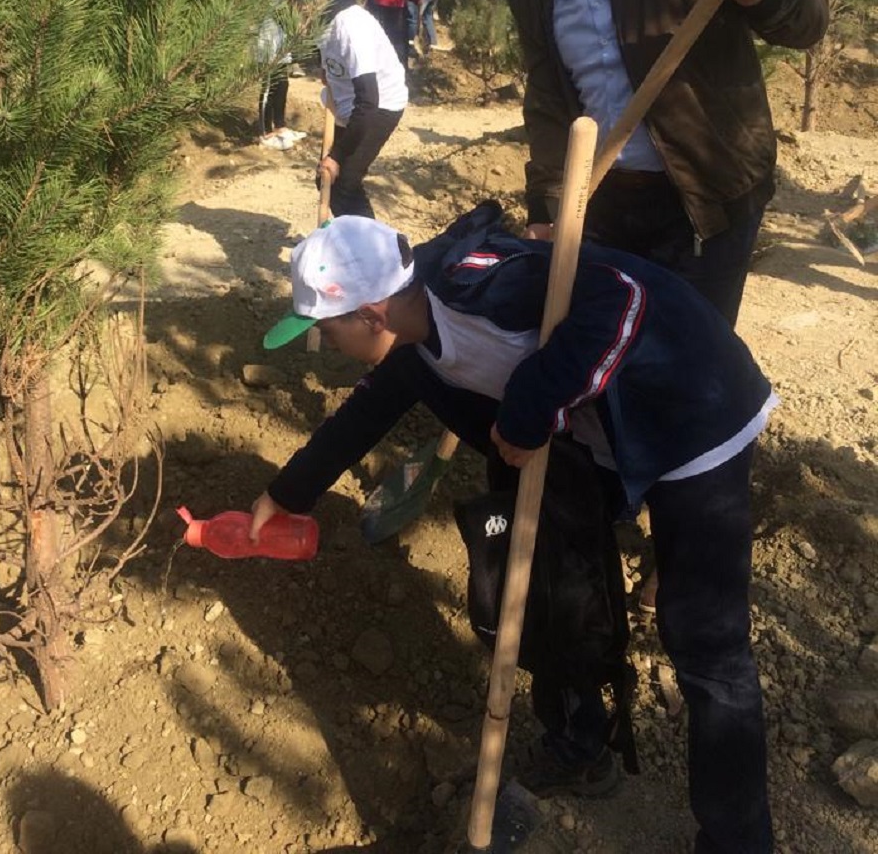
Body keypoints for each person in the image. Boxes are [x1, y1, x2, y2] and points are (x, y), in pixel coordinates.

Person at [253, 201, 777, 854]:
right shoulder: (413, 341)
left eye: (323, 328)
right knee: (545, 594)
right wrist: (287, 495)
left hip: (693, 412)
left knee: (704, 641)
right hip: (591, 431)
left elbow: (622, 300)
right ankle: (581, 744)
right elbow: (369, 409)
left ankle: (739, 841)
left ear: (369, 313)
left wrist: (531, 405)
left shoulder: (477, 283)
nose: (322, 343)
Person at [484, 0, 829, 328]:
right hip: (603, 206)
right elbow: (549, 106)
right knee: (608, 357)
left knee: (691, 363)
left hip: (709, 196)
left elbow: (809, 18)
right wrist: (546, 211)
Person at [316, 0, 408, 218]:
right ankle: (349, 240)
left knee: (344, 184)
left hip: (380, 105)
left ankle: (371, 250)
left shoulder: (351, 28)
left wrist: (337, 155)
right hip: (347, 104)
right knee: (326, 178)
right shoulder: (320, 18)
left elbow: (368, 102)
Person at [255, 0, 321, 151]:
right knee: (269, 87)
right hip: (268, 41)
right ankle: (265, 132)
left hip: (281, 41)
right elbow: (275, 11)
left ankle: (280, 125)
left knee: (282, 84)